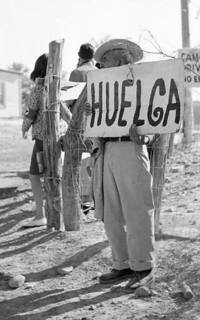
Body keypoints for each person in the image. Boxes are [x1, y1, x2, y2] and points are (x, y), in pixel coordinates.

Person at [87, 39, 155, 287]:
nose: (101, 65)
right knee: (111, 212)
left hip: (131, 147)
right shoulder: (101, 89)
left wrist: (148, 133)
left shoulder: (142, 85)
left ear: (121, 61)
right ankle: (122, 264)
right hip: (106, 150)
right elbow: (92, 118)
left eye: (105, 61)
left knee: (136, 208)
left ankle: (143, 265)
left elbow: (158, 117)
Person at [22, 53, 71, 227]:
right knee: (54, 174)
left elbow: (31, 112)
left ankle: (40, 215)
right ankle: (59, 212)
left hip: (42, 139)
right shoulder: (57, 88)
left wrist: (24, 127)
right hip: (57, 137)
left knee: (35, 175)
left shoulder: (37, 89)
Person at [68, 43, 97, 215]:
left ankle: (86, 199)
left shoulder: (77, 72)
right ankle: (95, 198)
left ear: (79, 56)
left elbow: (70, 98)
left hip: (81, 120)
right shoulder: (99, 70)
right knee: (94, 157)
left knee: (82, 159)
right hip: (98, 120)